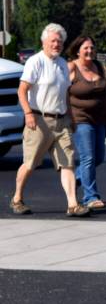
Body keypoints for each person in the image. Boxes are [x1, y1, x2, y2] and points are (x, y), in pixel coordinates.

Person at [10, 23, 89, 217]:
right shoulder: (35, 62)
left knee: (68, 163)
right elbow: (22, 90)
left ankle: (73, 204)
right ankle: (17, 198)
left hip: (61, 122)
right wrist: (28, 113)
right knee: (30, 163)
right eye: (53, 40)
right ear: (44, 41)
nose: (56, 44)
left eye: (60, 42)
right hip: (39, 120)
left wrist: (71, 118)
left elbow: (65, 94)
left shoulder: (62, 64)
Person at [68, 35, 106, 210]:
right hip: (80, 119)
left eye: (91, 48)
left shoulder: (98, 67)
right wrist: (66, 116)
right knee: (88, 158)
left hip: (100, 119)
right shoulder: (72, 67)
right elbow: (63, 93)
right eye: (86, 48)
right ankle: (91, 196)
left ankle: (71, 183)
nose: (89, 51)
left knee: (98, 158)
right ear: (78, 50)